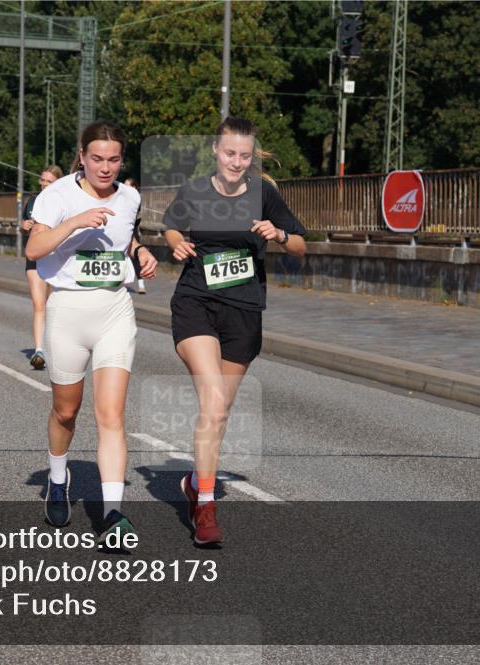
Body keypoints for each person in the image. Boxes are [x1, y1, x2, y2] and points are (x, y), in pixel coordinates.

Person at [164, 117, 307, 545]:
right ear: (215, 150)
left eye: (245, 155)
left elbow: (301, 245)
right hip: (196, 303)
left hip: (243, 310)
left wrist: (279, 233)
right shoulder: (195, 190)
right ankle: (205, 508)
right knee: (212, 402)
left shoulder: (264, 193)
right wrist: (174, 242)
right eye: (230, 153)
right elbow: (171, 223)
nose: (237, 162)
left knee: (219, 411)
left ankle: (194, 482)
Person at [26, 121, 157, 544]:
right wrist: (76, 222)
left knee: (111, 415)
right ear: (81, 156)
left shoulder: (131, 196)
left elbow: (126, 237)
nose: (106, 167)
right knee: (66, 411)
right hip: (67, 311)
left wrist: (141, 252)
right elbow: (33, 249)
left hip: (115, 309)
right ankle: (59, 478)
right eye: (97, 159)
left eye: (114, 159)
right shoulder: (57, 195)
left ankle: (113, 515)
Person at [21, 165, 63, 369]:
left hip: (56, 257)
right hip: (35, 257)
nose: (44, 185)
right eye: (43, 180)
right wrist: (24, 225)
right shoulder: (33, 201)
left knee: (53, 304)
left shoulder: (64, 202)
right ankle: (39, 350)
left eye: (50, 182)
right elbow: (24, 222)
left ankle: (56, 346)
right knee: (39, 304)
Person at [122, 177, 146, 294]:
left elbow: (137, 217)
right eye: (125, 185)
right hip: (121, 230)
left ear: (135, 188)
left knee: (136, 256)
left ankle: (141, 284)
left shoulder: (136, 199)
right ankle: (123, 282)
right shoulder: (119, 198)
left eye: (130, 186)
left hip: (132, 230)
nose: (127, 188)